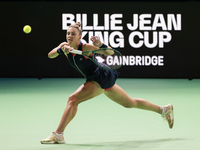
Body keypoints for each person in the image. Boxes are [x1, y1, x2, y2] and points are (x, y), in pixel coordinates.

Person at [40, 22, 174, 144]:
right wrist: (60, 50)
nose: (69, 36)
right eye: (68, 33)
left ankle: (58, 134)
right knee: (129, 103)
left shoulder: (86, 48)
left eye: (73, 34)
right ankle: (163, 110)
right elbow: (50, 55)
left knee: (73, 100)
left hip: (99, 78)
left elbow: (110, 53)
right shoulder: (64, 47)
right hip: (98, 79)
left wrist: (100, 44)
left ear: (79, 37)